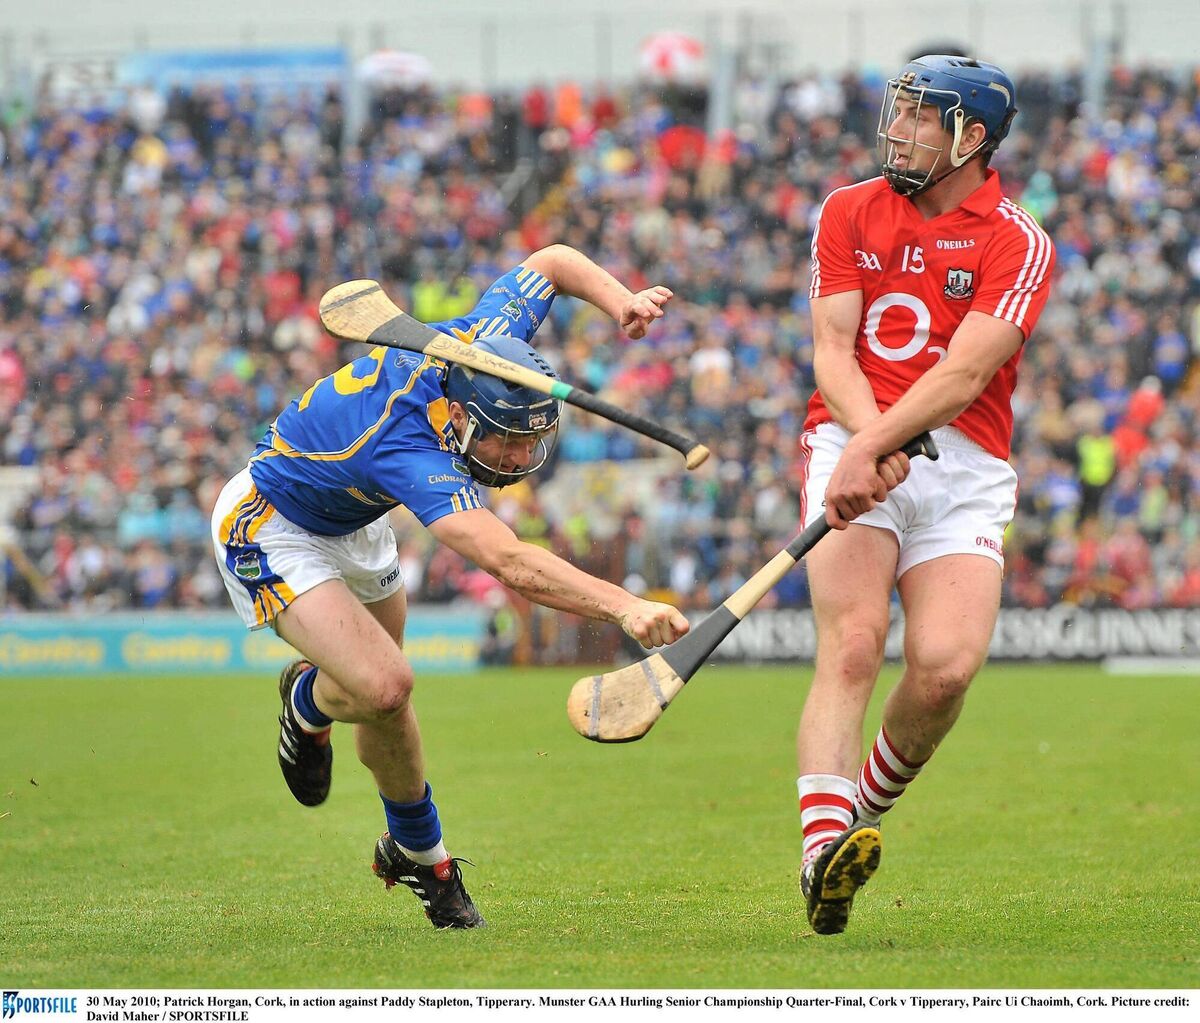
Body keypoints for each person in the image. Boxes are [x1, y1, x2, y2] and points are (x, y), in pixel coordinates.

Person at [210, 245, 688, 929]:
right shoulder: (406, 446)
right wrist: (625, 605)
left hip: (357, 515)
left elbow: (551, 262)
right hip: (273, 524)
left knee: (383, 704)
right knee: (386, 685)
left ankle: (344, 756)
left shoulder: (486, 343)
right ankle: (422, 851)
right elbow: (511, 562)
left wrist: (622, 302)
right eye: (506, 444)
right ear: (462, 416)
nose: (521, 459)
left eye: (530, 441)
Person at [796, 56, 1055, 934]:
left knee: (944, 669)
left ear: (972, 138)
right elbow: (834, 349)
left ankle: (856, 824)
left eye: (919, 117)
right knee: (856, 641)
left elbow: (968, 368)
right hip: (847, 431)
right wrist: (863, 444)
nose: (897, 129)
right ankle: (818, 848)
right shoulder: (847, 208)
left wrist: (881, 445)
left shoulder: (1017, 239)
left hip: (962, 468)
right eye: (898, 112)